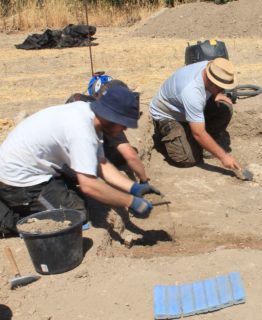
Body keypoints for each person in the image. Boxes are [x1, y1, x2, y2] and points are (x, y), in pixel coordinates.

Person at [0, 86, 160, 236]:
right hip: (19, 182)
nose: (125, 130)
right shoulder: (81, 132)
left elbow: (100, 163)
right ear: (112, 118)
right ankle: (8, 221)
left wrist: (133, 187)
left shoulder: (87, 113)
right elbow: (89, 186)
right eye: (124, 125)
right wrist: (131, 202)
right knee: (75, 215)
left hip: (33, 167)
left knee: (78, 197)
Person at [150, 57, 241, 170]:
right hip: (169, 115)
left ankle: (202, 141)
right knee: (187, 159)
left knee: (225, 107)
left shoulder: (212, 67)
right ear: (212, 82)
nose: (223, 90)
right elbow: (198, 133)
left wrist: (216, 94)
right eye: (221, 88)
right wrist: (224, 157)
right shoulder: (192, 92)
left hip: (189, 107)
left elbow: (213, 88)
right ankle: (169, 136)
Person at [66, 78, 151, 184]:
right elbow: (130, 155)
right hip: (50, 173)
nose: (124, 128)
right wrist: (144, 182)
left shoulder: (79, 102)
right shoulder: (97, 122)